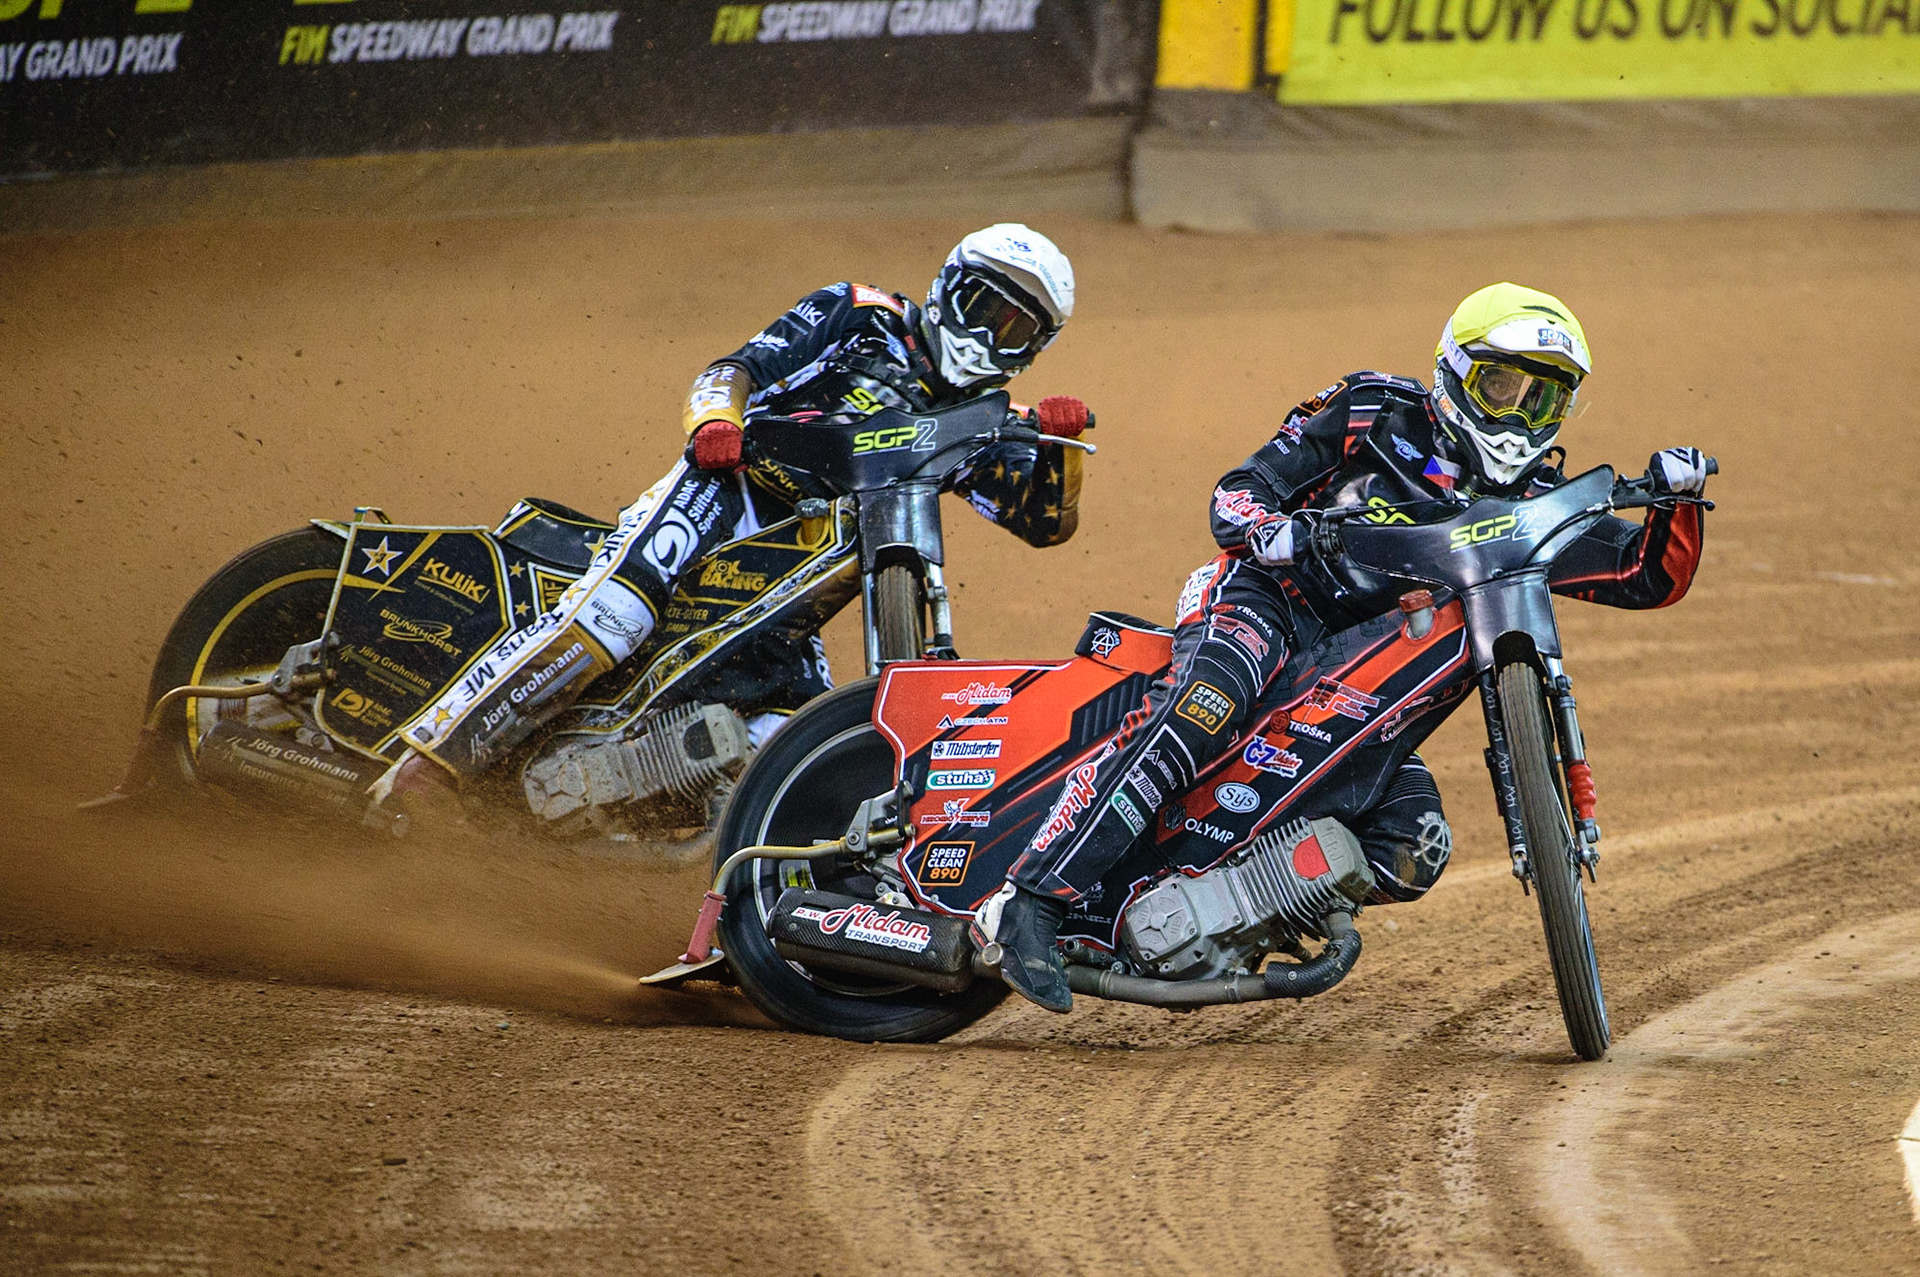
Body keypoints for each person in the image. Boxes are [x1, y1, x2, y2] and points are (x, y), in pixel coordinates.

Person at [972, 281, 1711, 1013]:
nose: (1520, 417)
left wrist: (1677, 501)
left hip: (1361, 682)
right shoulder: (1372, 410)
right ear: (1454, 371)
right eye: (1503, 386)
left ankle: (1207, 912)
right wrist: (1273, 530)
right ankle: (1029, 901)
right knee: (1206, 705)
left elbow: (1644, 576)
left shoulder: (1533, 508)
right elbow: (1235, 494)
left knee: (1413, 843)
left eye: (1543, 399)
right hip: (1268, 601)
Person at [379, 224, 1091, 793]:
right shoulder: (860, 311)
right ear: (946, 288)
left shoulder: (986, 418)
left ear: (1035, 347)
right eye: (981, 307)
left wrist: (1057, 444)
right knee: (618, 611)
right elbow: (737, 367)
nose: (989, 334)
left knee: (794, 730)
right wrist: (713, 424)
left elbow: (1040, 521)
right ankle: (431, 764)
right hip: (729, 490)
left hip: (814, 560)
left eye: (1015, 327)